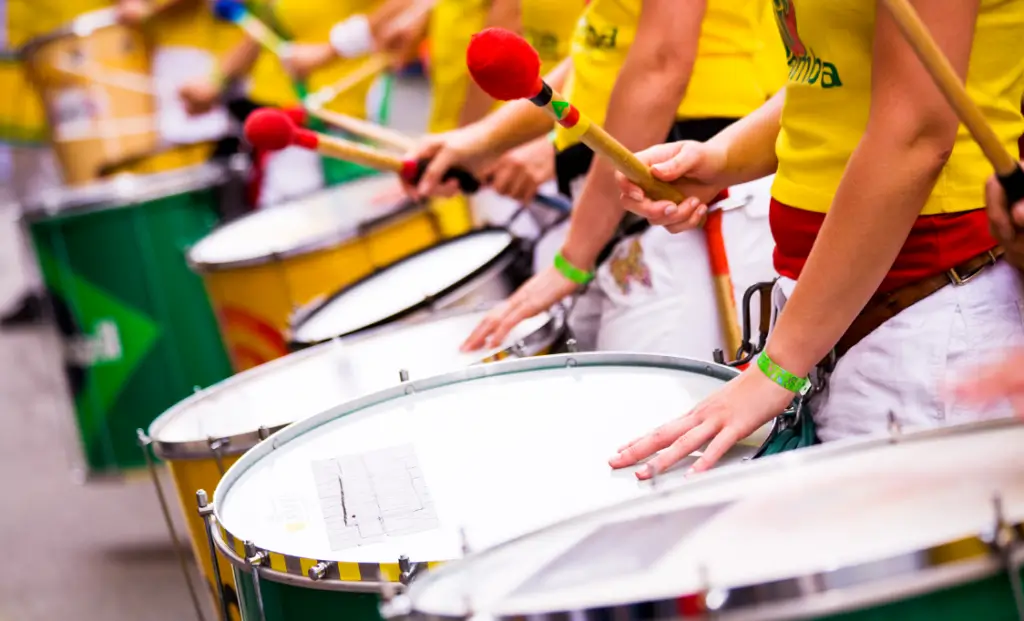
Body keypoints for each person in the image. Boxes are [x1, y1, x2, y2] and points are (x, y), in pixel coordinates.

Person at [609, 0, 1024, 479]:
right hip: (832, 319)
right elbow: (838, 74)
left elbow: (917, 134)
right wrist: (721, 157)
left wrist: (780, 366)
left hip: (928, 317)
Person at [410, 0, 782, 357]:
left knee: (652, 413)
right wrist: (482, 141)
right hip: (616, 204)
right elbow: (600, 49)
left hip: (677, 191)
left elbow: (661, 62)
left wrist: (573, 257)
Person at [178, 0, 398, 207]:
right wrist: (216, 81)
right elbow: (264, 27)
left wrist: (331, 50)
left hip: (342, 117)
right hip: (284, 117)